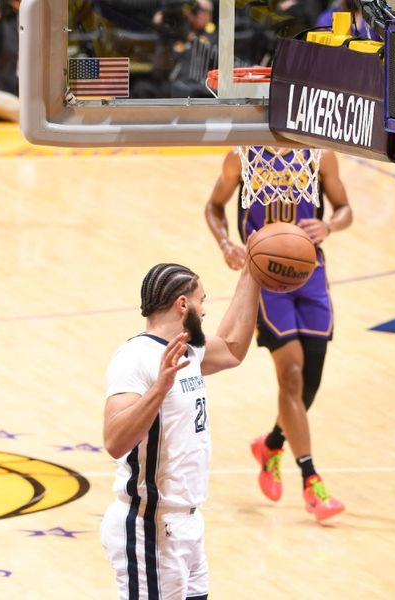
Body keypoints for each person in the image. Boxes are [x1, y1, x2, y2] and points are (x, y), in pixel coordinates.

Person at [204, 147, 352, 522]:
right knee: (292, 376)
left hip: (311, 274)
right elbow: (213, 207)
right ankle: (311, 481)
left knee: (310, 384)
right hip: (266, 281)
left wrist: (329, 226)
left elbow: (345, 209)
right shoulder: (241, 156)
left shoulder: (321, 155)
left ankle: (272, 444)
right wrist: (226, 245)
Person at [101, 261, 261, 599]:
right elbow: (114, 441)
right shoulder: (134, 357)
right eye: (202, 300)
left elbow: (232, 347)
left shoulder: (187, 352)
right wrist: (159, 389)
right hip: (149, 527)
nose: (204, 311)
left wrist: (253, 271)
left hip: (185, 524)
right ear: (183, 304)